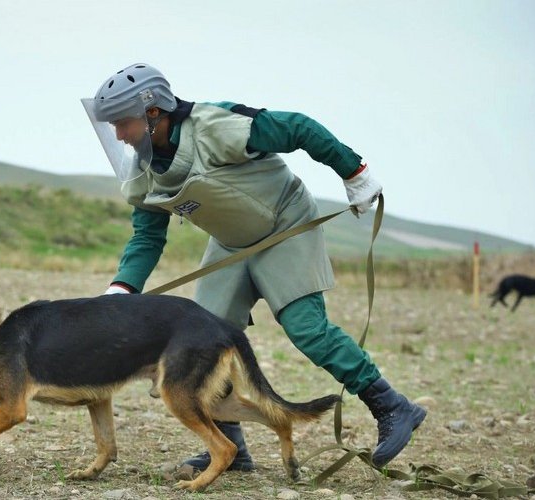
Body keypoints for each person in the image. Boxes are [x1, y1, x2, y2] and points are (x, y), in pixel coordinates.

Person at [81, 63, 426, 471]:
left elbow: (298, 127)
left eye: (123, 124)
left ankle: (392, 407)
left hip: (286, 223)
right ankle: (232, 449)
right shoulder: (142, 172)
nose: (119, 136)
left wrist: (354, 171)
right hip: (231, 245)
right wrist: (121, 290)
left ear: (153, 112)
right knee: (200, 341)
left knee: (306, 329)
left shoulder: (216, 126)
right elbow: (146, 238)